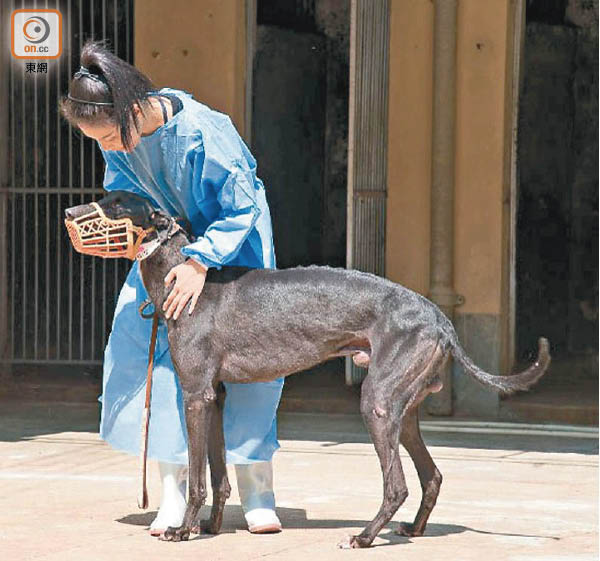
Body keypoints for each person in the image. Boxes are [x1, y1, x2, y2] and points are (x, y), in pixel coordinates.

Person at [60, 41, 284, 535]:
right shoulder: (115, 133)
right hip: (162, 252)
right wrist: (123, 231)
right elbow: (126, 194)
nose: (111, 147)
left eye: (112, 138)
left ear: (134, 109)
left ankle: (256, 490)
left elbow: (241, 207)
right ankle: (175, 492)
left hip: (232, 251)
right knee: (152, 353)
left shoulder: (206, 130)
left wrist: (201, 261)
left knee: (251, 364)